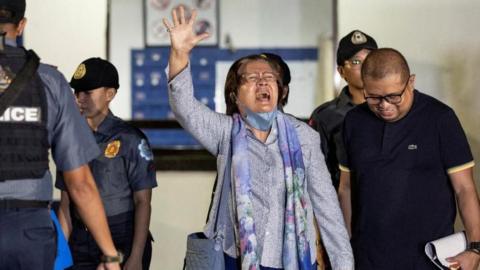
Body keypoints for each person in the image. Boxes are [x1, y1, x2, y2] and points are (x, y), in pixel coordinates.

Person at [163, 6, 353, 270]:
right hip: (234, 258)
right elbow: (184, 107)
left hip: (290, 261)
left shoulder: (304, 138)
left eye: (269, 79)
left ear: (280, 90)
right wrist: (179, 53)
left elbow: (329, 210)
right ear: (234, 95)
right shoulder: (226, 132)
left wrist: (344, 265)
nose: (263, 83)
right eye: (252, 78)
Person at [0, 1, 121, 270]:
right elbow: (80, 183)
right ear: (21, 26)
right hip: (29, 232)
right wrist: (110, 255)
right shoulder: (49, 82)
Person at [338, 48, 480, 269]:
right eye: (374, 97)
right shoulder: (354, 122)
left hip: (428, 260)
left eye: (394, 96)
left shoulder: (441, 119)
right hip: (367, 259)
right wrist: (343, 249)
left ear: (411, 82)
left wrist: (475, 248)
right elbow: (346, 189)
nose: (384, 106)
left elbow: (465, 189)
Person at [56, 58, 157, 269]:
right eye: (77, 92)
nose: (79, 99)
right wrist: (59, 255)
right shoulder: (68, 139)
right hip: (81, 240)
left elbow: (143, 202)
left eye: (87, 93)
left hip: (121, 238)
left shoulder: (130, 138)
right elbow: (65, 204)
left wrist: (136, 256)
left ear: (109, 94)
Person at [309, 30, 377, 190]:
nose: (366, 67)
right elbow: (317, 174)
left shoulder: (393, 109)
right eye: (356, 62)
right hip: (345, 205)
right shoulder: (325, 116)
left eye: (371, 60)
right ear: (341, 71)